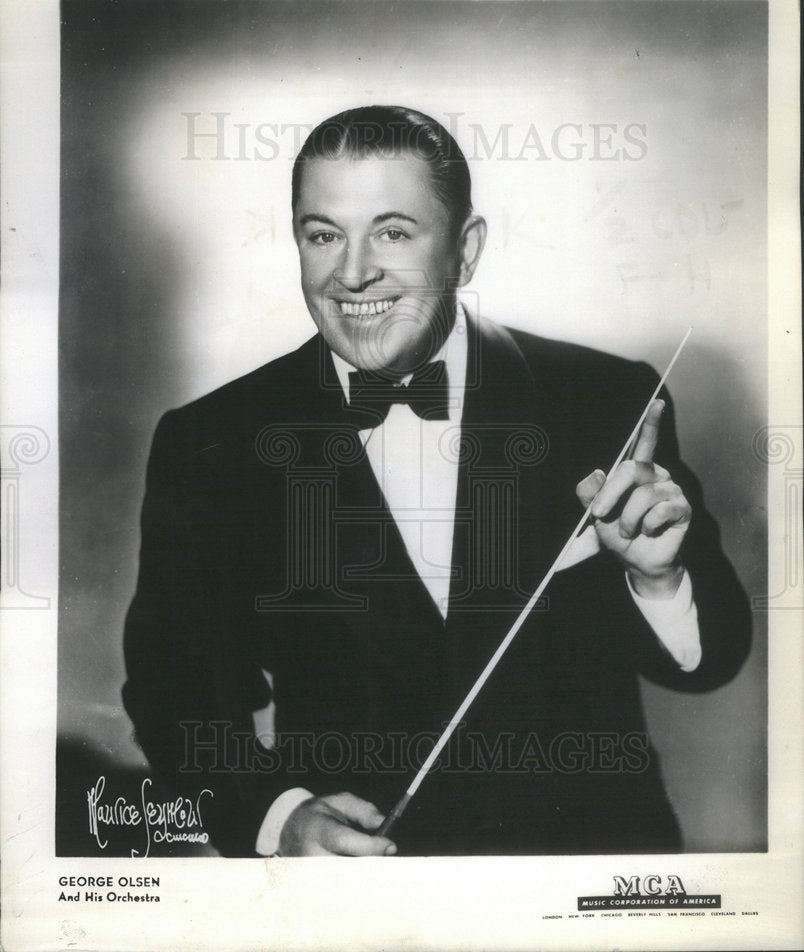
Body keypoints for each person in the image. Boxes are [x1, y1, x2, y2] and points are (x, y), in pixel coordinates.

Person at [122, 105, 751, 858]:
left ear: (466, 249)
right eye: (323, 234)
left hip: (586, 883)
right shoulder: (209, 445)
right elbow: (176, 689)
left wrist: (659, 579)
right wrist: (275, 816)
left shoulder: (607, 401)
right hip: (360, 896)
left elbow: (710, 662)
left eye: (393, 231)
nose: (351, 274)